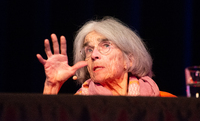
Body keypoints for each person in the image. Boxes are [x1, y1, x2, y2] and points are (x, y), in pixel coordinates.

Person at [36, 16, 174, 96]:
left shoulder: (164, 103)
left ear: (129, 60)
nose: (94, 55)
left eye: (106, 46)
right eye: (89, 50)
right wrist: (51, 87)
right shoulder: (77, 106)